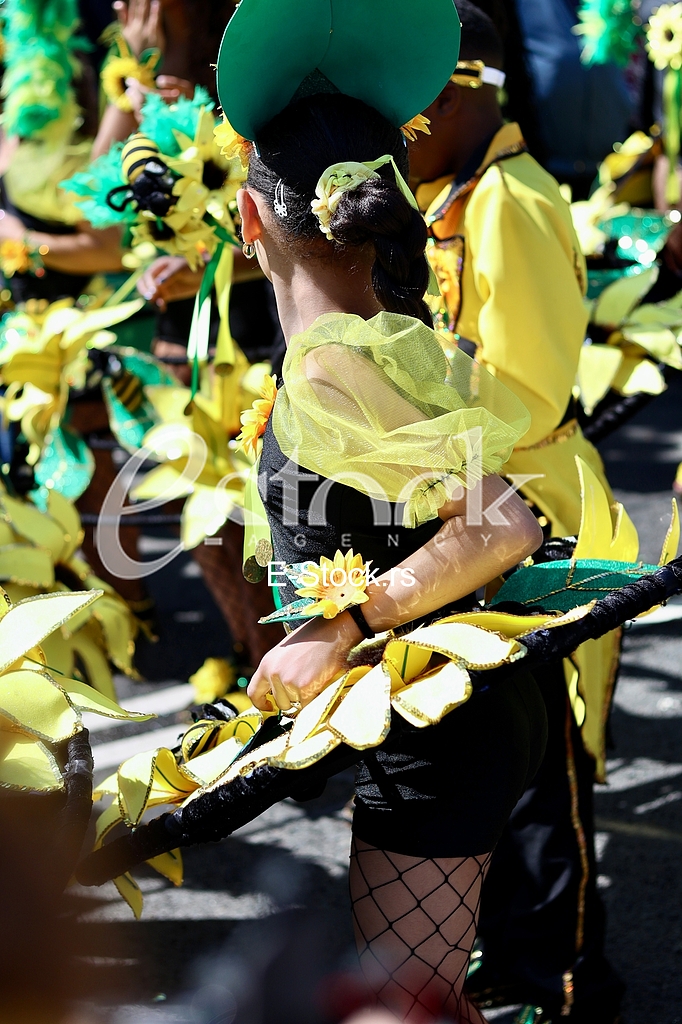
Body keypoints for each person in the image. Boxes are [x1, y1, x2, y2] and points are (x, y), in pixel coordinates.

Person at [205, 1, 550, 1020]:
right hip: (449, 712)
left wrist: (341, 625)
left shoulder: (331, 369)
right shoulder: (376, 337)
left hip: (440, 730)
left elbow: (502, 524)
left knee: (410, 1008)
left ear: (248, 219)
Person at [408, 3, 624, 1020]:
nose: (391, 126)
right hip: (479, 509)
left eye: (407, 100)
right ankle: (511, 947)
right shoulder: (448, 193)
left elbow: (527, 393)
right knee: (488, 755)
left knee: (546, 774)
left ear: (461, 92)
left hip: (539, 516)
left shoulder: (510, 198)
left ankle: (563, 977)